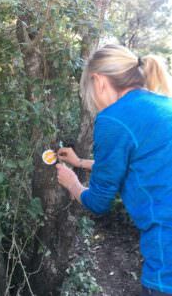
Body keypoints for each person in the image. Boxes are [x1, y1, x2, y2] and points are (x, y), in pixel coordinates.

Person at [56, 44, 172, 296]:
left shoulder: (114, 117)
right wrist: (80, 162)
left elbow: (98, 202)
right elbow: (141, 164)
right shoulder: (163, 106)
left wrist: (71, 181)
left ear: (98, 81)